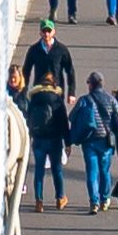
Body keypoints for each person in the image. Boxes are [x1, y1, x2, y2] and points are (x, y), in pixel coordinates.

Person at [69, 73, 118, 213]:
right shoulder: (111, 100)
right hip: (106, 141)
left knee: (92, 172)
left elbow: (71, 116)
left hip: (89, 141)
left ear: (90, 84)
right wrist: (114, 133)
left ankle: (94, 202)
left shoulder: (84, 100)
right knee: (105, 171)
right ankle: (105, 199)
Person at [25, 80, 69, 210]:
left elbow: (28, 118)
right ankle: (60, 198)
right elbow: (63, 122)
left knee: (39, 170)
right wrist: (68, 142)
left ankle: (39, 201)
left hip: (38, 139)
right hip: (55, 139)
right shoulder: (57, 100)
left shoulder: (34, 100)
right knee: (57, 169)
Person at [22, 18, 74, 97]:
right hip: (39, 90)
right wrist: (23, 91)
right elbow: (26, 71)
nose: (46, 34)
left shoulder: (61, 49)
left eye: (49, 31)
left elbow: (70, 71)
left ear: (53, 32)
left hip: (57, 90)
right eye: (44, 31)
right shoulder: (34, 49)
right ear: (40, 32)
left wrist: (71, 93)